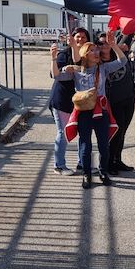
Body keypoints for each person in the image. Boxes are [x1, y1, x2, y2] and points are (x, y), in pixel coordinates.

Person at [52, 31, 127, 189]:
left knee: (103, 145)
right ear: (84, 54)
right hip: (84, 113)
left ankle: (103, 172)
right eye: (92, 50)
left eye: (96, 50)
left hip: (101, 112)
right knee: (85, 144)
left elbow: (122, 60)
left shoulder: (104, 68)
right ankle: (86, 174)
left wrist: (113, 45)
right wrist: (53, 59)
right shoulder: (76, 71)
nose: (96, 52)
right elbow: (56, 75)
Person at [48, 27, 90, 175]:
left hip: (80, 102)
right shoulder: (64, 54)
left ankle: (83, 163)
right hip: (62, 101)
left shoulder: (87, 55)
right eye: (77, 37)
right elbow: (55, 75)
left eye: (84, 37)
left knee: (82, 132)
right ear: (71, 38)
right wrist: (56, 61)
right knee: (64, 133)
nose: (80, 40)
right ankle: (59, 165)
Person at [97, 32, 135, 175]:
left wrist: (114, 44)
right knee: (115, 133)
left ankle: (117, 160)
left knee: (123, 132)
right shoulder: (98, 62)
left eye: (106, 42)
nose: (104, 46)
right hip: (113, 102)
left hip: (128, 98)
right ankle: (109, 163)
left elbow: (129, 33)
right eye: (100, 43)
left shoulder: (118, 54)